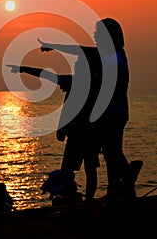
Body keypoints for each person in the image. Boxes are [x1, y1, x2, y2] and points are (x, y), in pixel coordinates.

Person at [37, 17, 142, 207]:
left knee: (112, 153)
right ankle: (122, 187)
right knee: (111, 152)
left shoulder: (113, 55)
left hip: (114, 113)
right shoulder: (111, 54)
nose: (94, 35)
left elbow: (81, 51)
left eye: (98, 32)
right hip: (111, 112)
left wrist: (54, 45)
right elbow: (82, 50)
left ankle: (124, 181)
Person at [6, 48, 102, 214]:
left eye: (79, 64)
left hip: (80, 133)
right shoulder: (95, 83)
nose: (76, 66)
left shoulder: (78, 82)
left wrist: (23, 69)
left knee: (69, 170)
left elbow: (47, 75)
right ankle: (84, 206)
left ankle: (75, 206)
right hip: (89, 132)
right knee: (88, 169)